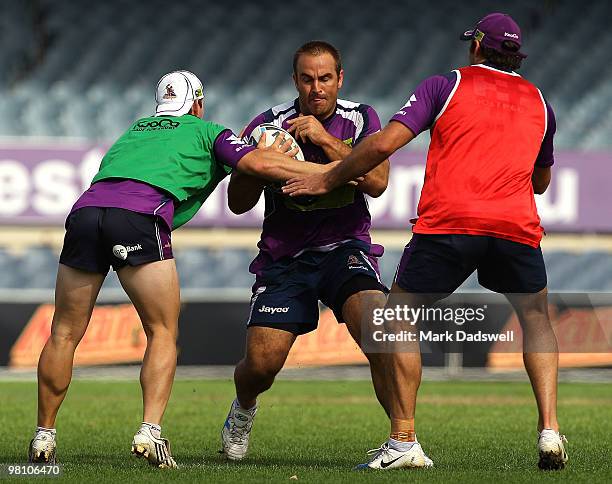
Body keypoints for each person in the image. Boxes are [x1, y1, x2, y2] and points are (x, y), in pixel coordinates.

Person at [283, 14, 568, 471]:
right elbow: (540, 181)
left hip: (450, 223)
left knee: (398, 314)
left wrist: (328, 180)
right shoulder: (541, 102)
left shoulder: (445, 85)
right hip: (515, 226)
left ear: (476, 48)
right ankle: (550, 431)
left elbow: (381, 146)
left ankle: (404, 440)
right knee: (536, 318)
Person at [28, 70, 334, 468]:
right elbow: (257, 163)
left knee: (64, 332)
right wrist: (330, 173)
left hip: (86, 213)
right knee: (162, 331)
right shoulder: (208, 132)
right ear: (198, 105)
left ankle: (43, 436)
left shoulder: (135, 129)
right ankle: (149, 432)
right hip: (139, 216)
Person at [218, 40, 428, 466]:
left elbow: (377, 181)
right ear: (295, 80)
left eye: (325, 78)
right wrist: (257, 165)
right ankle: (242, 409)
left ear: (340, 78)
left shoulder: (360, 117)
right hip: (284, 258)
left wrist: (325, 139)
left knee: (379, 331)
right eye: (308, 79)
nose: (317, 88)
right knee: (261, 364)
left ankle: (402, 440)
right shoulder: (266, 125)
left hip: (345, 250)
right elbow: (237, 202)